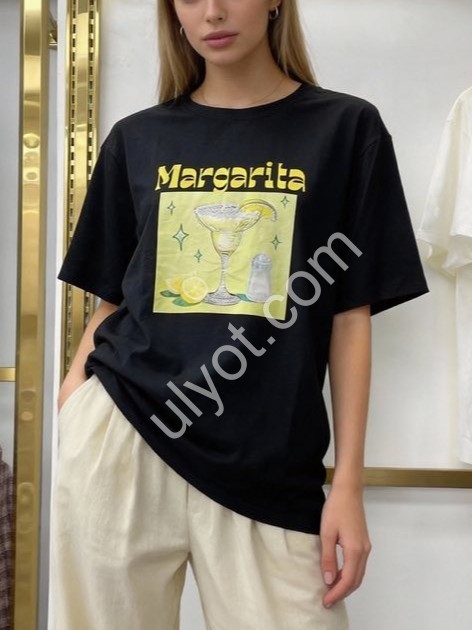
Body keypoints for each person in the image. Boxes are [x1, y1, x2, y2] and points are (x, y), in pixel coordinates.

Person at [51, 0, 430, 628]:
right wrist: (74, 404)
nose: (213, 11)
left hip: (270, 462)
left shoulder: (344, 129)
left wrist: (348, 485)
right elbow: (112, 299)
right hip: (123, 440)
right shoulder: (137, 138)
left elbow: (349, 316)